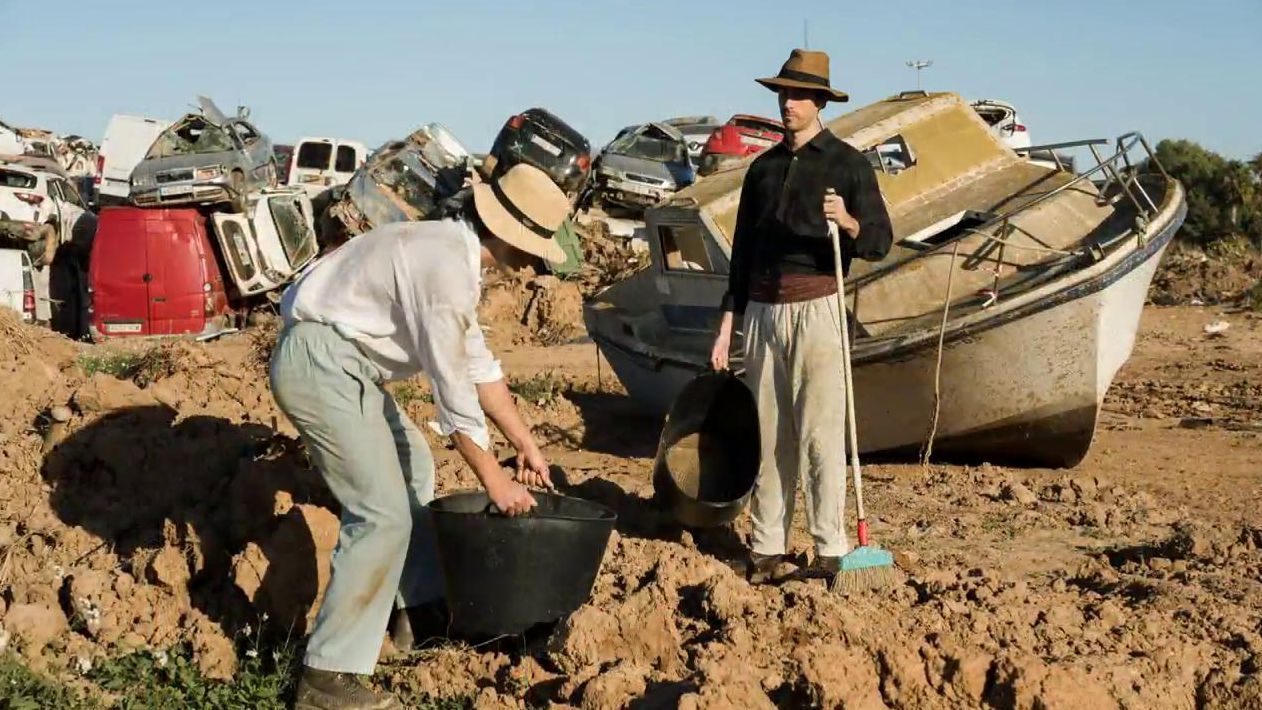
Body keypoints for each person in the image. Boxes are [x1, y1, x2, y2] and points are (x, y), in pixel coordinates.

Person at [271, 163, 569, 710]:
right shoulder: (445, 270)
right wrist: (496, 480)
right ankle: (325, 678)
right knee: (381, 512)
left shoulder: (451, 257)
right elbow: (453, 389)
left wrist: (525, 443)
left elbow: (480, 368)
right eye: (532, 246)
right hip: (321, 363)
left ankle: (418, 611)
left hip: (343, 365)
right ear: (506, 233)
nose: (532, 263)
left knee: (416, 469)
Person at [709, 49, 894, 583]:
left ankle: (830, 548)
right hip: (763, 310)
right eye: (784, 94)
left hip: (818, 307)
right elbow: (741, 251)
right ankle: (766, 547)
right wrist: (729, 320)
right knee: (769, 433)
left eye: (799, 96)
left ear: (820, 103)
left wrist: (850, 221)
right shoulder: (761, 171)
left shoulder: (847, 163)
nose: (789, 104)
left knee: (819, 432)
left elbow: (881, 240)